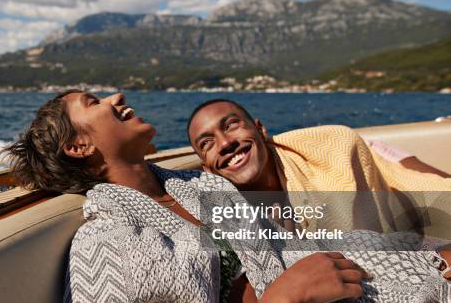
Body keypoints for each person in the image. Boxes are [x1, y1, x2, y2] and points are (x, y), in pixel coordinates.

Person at [4, 92, 451, 303]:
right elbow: (283, 283)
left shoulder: (198, 187)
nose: (116, 98)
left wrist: (424, 256)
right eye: (93, 102)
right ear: (78, 146)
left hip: (386, 295)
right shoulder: (108, 243)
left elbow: (291, 248)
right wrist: (286, 296)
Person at [187, 99, 451, 236]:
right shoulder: (222, 212)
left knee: (430, 184)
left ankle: (389, 153)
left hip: (383, 177)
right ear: (207, 168)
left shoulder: (332, 150)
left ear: (260, 129)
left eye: (231, 125)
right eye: (207, 143)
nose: (224, 143)